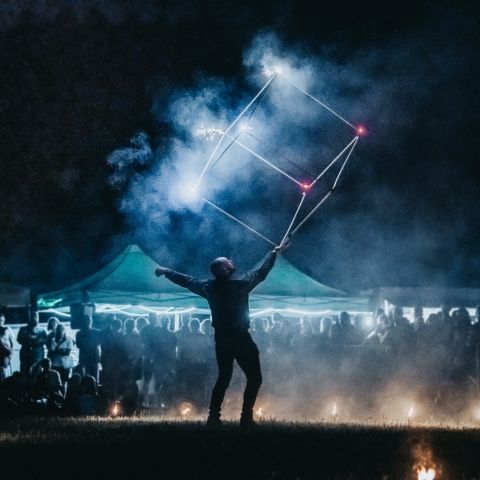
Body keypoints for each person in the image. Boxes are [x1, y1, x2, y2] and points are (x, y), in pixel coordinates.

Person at [155, 243, 288, 427]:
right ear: (225, 269)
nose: (232, 261)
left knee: (224, 377)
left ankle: (213, 416)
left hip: (223, 340)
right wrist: (274, 253)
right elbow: (261, 272)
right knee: (254, 377)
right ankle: (246, 417)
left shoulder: (209, 287)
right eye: (229, 261)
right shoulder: (240, 285)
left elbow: (186, 280)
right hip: (241, 338)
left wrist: (166, 271)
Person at [17, 311, 47, 375]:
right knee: (24, 373)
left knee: (37, 373)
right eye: (32, 317)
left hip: (37, 355)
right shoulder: (23, 329)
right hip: (25, 354)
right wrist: (27, 340)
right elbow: (19, 340)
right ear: (29, 318)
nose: (34, 318)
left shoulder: (42, 330)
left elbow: (46, 341)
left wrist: (39, 341)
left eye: (36, 317)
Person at [75, 314, 101, 382]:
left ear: (91, 321)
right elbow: (78, 345)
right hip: (85, 358)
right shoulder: (79, 333)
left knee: (94, 377)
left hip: (93, 358)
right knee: (83, 377)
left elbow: (98, 343)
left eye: (89, 320)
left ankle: (94, 391)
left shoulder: (97, 332)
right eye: (86, 320)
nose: (87, 322)